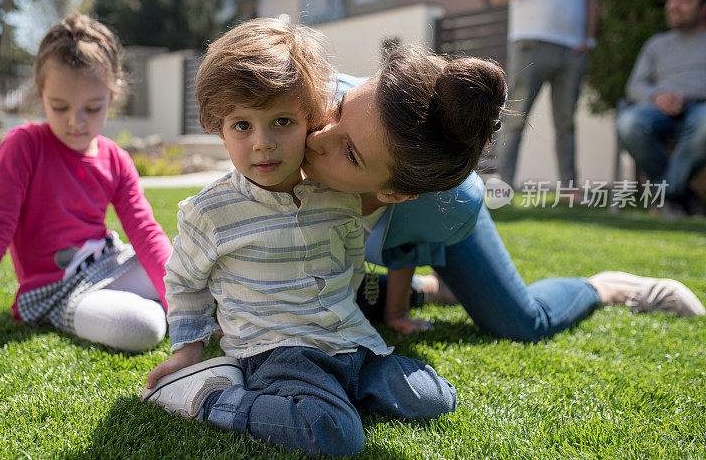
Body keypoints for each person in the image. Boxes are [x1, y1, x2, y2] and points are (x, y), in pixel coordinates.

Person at [142, 19, 457, 457]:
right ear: (219, 127)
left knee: (434, 398)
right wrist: (187, 350)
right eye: (242, 126)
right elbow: (184, 282)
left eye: (282, 121)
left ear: (311, 120)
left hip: (350, 341)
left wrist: (369, 309)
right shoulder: (209, 212)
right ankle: (212, 398)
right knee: (334, 436)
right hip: (275, 350)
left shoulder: (338, 196)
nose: (263, 144)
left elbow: (353, 262)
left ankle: (341, 391)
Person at [300, 43, 705, 340]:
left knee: (522, 325)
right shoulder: (305, 109)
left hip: (442, 213)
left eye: (350, 152)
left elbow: (407, 241)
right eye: (338, 110)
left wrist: (397, 311)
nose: (317, 137)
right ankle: (439, 289)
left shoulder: (435, 203)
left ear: (394, 191)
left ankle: (606, 286)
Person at [0, 13, 171, 355]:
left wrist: (191, 304)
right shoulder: (24, 145)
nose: (76, 121)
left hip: (111, 263)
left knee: (190, 267)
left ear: (112, 96)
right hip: (57, 290)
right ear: (41, 94)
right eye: (59, 107)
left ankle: (179, 308)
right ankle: (155, 308)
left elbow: (146, 232)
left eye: (93, 107)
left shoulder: (116, 158)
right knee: (143, 328)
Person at [489, 0, 601, 189]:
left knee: (566, 123)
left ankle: (570, 187)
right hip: (530, 43)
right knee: (516, 116)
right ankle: (504, 184)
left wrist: (590, 38)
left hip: (573, 49)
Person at [616, 0, 706, 216]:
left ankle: (667, 196)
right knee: (629, 123)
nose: (674, 6)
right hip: (659, 108)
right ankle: (682, 197)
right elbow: (634, 86)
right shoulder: (657, 44)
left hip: (701, 108)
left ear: (703, 7)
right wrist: (658, 95)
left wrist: (686, 95)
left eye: (685, 1)